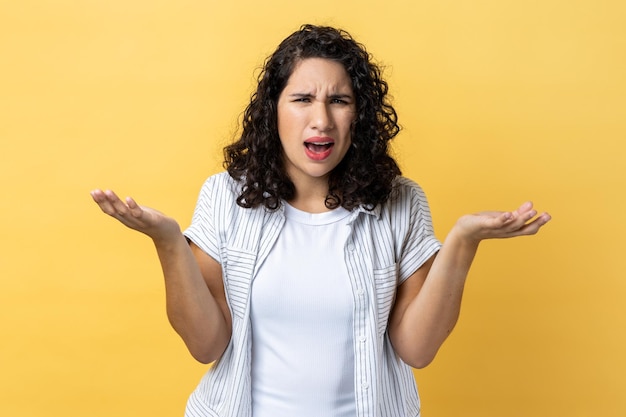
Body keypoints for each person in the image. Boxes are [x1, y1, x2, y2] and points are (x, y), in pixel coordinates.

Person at [91, 24, 551, 417]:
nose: (321, 119)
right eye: (302, 99)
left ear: (359, 116)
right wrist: (169, 242)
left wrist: (463, 242)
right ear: (274, 111)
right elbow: (205, 345)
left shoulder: (401, 203)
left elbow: (418, 349)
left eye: (340, 101)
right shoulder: (224, 196)